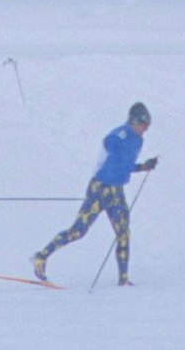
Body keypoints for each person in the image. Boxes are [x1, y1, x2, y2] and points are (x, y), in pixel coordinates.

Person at [33, 103, 157, 286]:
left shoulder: (138, 141)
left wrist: (142, 167)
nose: (145, 130)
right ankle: (41, 257)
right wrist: (119, 143)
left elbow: (124, 165)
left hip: (116, 191)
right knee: (78, 231)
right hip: (100, 188)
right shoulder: (122, 133)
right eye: (143, 125)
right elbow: (108, 143)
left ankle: (123, 280)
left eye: (147, 127)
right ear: (134, 122)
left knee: (123, 233)